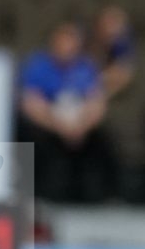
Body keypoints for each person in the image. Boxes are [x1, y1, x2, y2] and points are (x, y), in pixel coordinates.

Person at [17, 21, 118, 204]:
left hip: (79, 125)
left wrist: (81, 126)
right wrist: (59, 126)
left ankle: (103, 195)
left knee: (104, 139)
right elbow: (31, 104)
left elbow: (97, 102)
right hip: (48, 125)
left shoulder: (86, 67)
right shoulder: (37, 66)